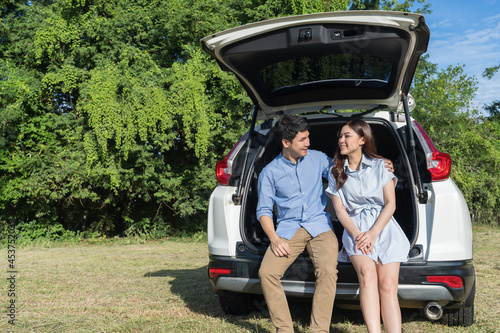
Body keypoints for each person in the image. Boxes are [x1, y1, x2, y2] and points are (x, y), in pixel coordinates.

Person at [256, 114, 339, 333]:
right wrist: (274, 239)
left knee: (328, 271)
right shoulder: (270, 173)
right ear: (286, 142)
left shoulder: (319, 159)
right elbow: (263, 211)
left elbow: (343, 175)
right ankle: (284, 329)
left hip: (320, 225)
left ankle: (319, 330)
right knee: (267, 273)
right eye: (302, 139)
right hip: (289, 229)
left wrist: (379, 164)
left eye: (308, 137)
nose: (308, 143)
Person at [326, 119, 410, 333]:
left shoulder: (381, 165)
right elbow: (339, 210)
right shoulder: (335, 171)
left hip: (383, 227)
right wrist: (357, 234)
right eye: (340, 136)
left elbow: (391, 204)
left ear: (362, 139)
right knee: (367, 275)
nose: (341, 140)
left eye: (347, 136)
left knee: (388, 285)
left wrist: (373, 233)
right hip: (355, 229)